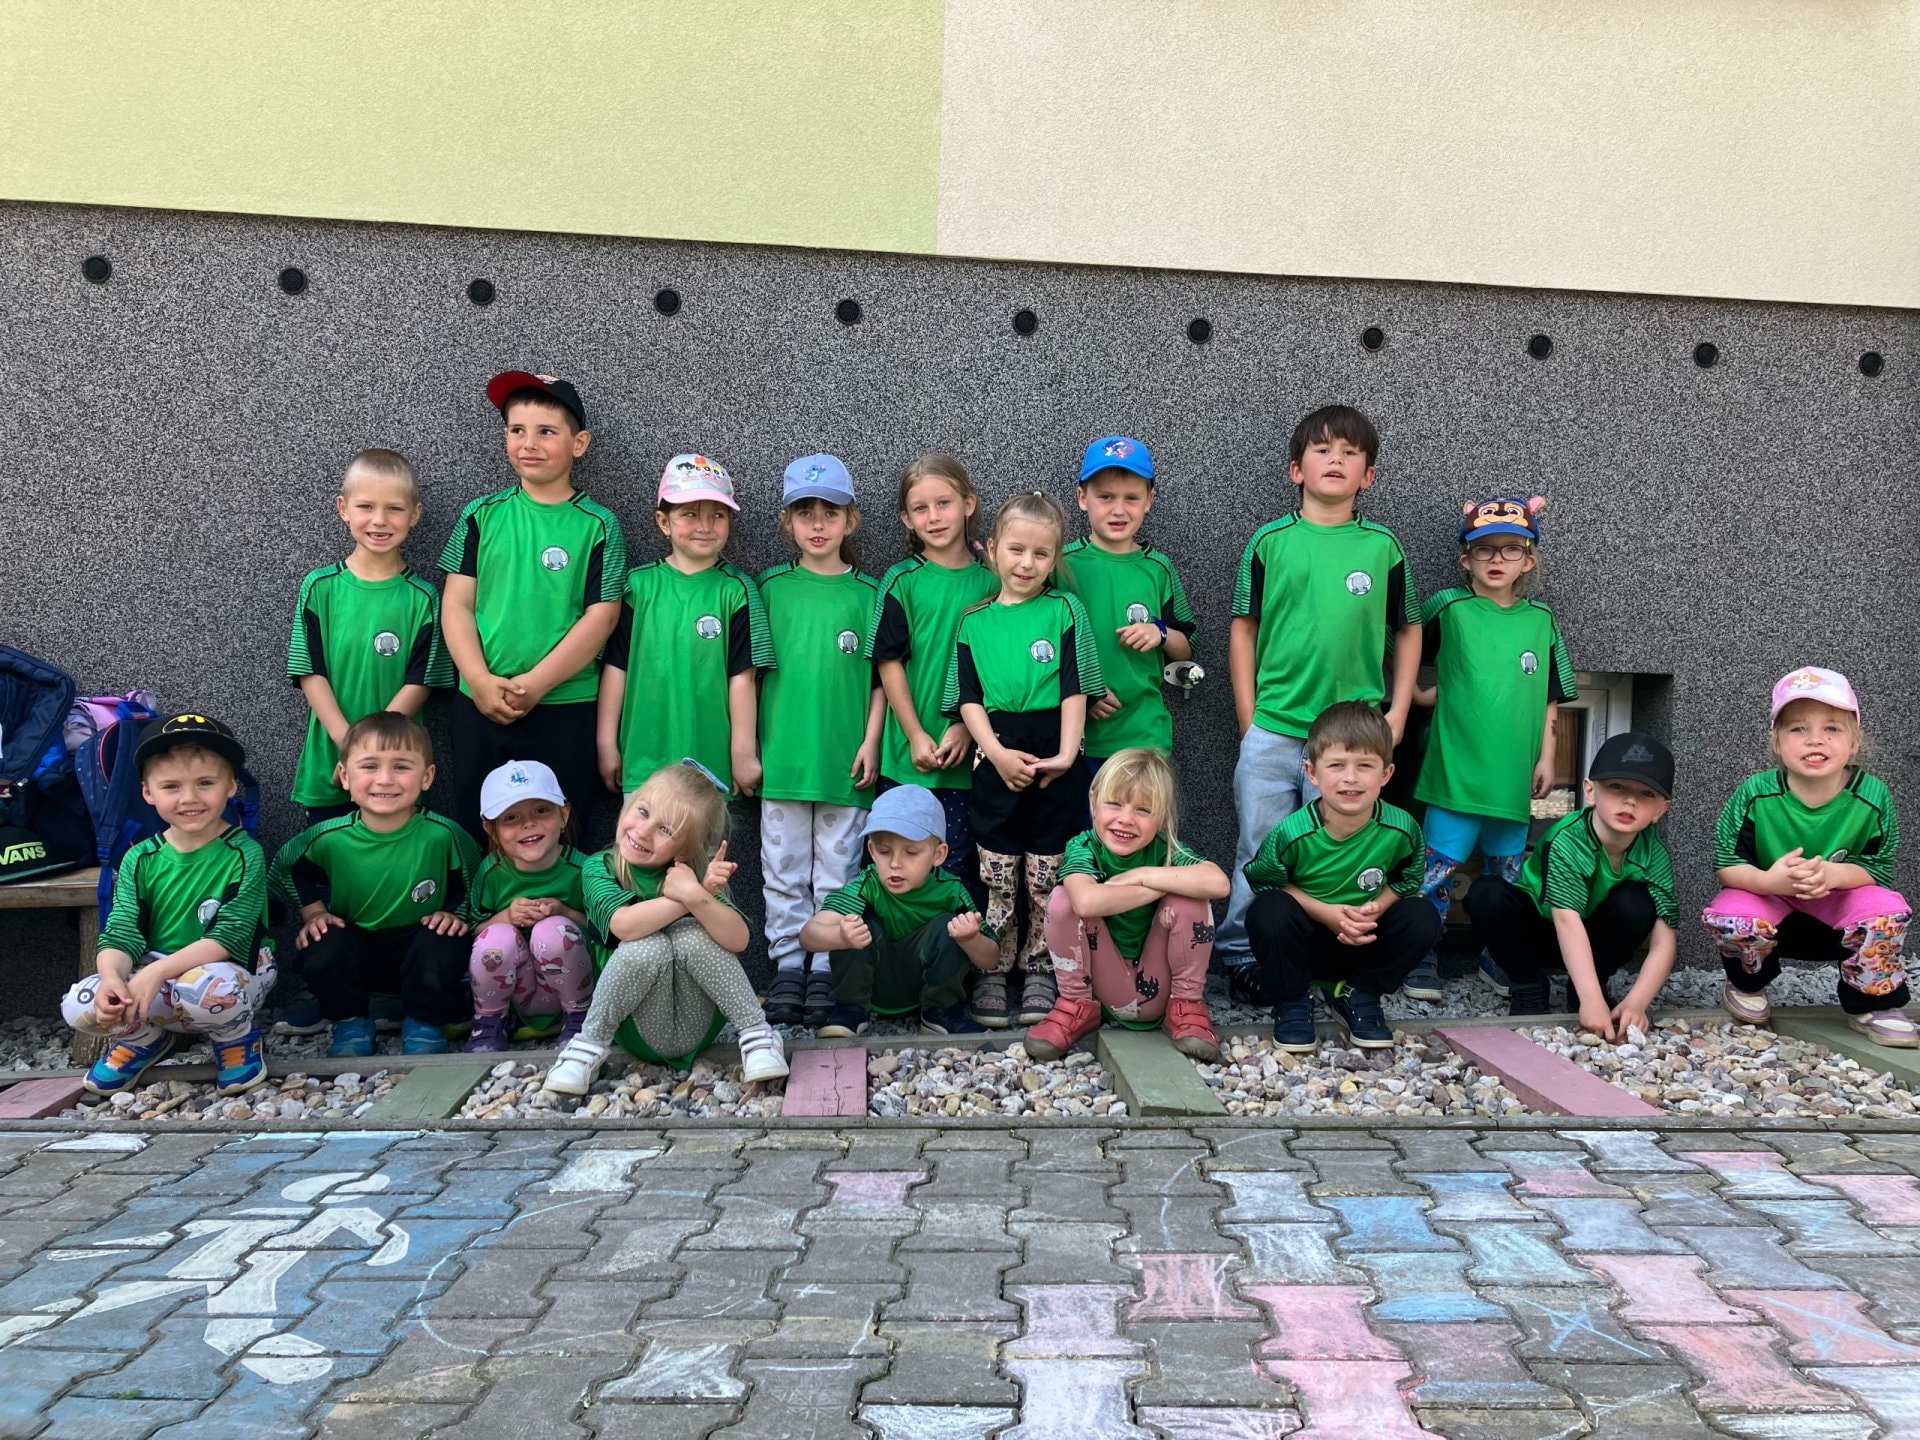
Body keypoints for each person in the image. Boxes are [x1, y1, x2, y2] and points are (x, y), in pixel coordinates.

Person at [1217, 406, 1421, 987]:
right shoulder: (1270, 542)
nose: (1336, 460)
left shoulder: (1383, 547)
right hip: (1274, 728)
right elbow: (1243, 628)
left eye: (1350, 453)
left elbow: (1408, 629)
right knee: (1260, 846)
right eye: (1323, 450)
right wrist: (1248, 716)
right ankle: (1242, 954)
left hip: (1352, 737)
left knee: (1339, 852)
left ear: (1368, 476)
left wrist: (1398, 710)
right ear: (1296, 470)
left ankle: (1324, 960)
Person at [280, 448, 453, 1037]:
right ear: (343, 509)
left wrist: (376, 756)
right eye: (366, 507)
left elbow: (423, 679)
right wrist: (347, 746)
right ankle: (328, 993)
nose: (380, 520)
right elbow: (309, 670)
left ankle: (400, 992)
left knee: (396, 874)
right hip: (328, 761)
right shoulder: (320, 587)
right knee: (330, 882)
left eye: (394, 509)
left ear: (415, 515)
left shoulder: (423, 597)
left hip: (396, 769)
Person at [943, 490, 1106, 1027]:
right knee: (997, 869)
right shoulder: (973, 621)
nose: (1027, 563)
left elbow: (1075, 686)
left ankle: (1040, 966)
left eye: (1041, 553)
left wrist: (1067, 753)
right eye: (1016, 550)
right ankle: (993, 967)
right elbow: (968, 698)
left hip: (1055, 758)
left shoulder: (1064, 610)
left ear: (1055, 557)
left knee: (1045, 870)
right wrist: (993, 753)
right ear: (992, 550)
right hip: (997, 754)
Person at [440, 372, 627, 837]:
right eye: (517, 430)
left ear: (579, 443)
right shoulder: (481, 515)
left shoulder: (599, 524)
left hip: (564, 704)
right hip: (480, 702)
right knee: (480, 830)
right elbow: (456, 605)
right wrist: (479, 680)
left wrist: (536, 683)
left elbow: (602, 617)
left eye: (546, 431)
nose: (529, 443)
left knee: (562, 833)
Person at [1404, 495, 1575, 1000]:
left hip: (1513, 777)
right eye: (1484, 549)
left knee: (1508, 877)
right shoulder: (1448, 607)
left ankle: (1499, 955)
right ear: (1466, 559)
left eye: (1511, 549)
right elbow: (1402, 645)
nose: (1497, 559)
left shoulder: (1541, 619)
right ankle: (1419, 953)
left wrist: (1547, 757)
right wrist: (1419, 695)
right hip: (1456, 771)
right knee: (1434, 871)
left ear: (1529, 560)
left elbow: (1550, 696)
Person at [544, 761, 789, 1094]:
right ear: (630, 802)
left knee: (693, 936)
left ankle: (757, 1034)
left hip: (699, 1024)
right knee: (648, 944)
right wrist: (690, 897)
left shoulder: (695, 873)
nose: (644, 831)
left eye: (666, 830)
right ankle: (588, 1045)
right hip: (634, 1025)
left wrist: (699, 896)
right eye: (643, 812)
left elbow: (739, 940)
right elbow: (625, 926)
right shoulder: (599, 868)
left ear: (686, 849)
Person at [62, 714, 273, 1097]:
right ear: (148, 792)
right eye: (171, 786)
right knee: (81, 1003)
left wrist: (155, 973)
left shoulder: (245, 853)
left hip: (233, 971)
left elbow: (229, 936)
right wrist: (113, 978)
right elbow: (121, 931)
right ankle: (143, 1039)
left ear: (230, 786)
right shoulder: (139, 858)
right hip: (157, 974)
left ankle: (235, 1036)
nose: (189, 798)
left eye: (205, 783)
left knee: (205, 989)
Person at [1704, 668, 1913, 1046]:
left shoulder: (1872, 795)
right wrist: (1768, 881)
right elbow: (1726, 861)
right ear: (1777, 741)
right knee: (1731, 914)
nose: (1815, 739)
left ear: (1855, 741)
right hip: (1772, 902)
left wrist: (1834, 874)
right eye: (1798, 728)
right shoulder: (1755, 793)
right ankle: (1748, 983)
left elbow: (1878, 865)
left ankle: (1872, 1003)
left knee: (1887, 908)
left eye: (1832, 728)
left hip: (1838, 909)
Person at [757, 454, 885, 1027]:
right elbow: (747, 677)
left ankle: (827, 967)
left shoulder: (871, 594)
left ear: (850, 520)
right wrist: (748, 750)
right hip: (783, 761)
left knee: (838, 872)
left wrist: (872, 741)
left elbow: (883, 679)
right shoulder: (767, 589)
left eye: (830, 512)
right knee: (783, 871)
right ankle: (788, 964)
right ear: (786, 520)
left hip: (844, 762)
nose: (817, 524)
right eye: (804, 512)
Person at [269, 712, 480, 1057]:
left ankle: (424, 1022)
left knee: (445, 939)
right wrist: (314, 914)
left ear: (427, 777)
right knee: (321, 942)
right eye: (369, 766)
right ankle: (351, 1023)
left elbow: (476, 881)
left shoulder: (444, 835)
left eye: (401, 766)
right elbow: (286, 867)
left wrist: (455, 914)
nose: (385, 779)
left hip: (419, 948)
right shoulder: (328, 838)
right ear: (344, 776)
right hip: (355, 948)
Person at [1245, 702, 1439, 1051]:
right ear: (1312, 772)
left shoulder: (1402, 828)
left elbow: (1409, 880)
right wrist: (1326, 913)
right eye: (1336, 765)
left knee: (1423, 915)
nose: (1351, 777)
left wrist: (1376, 909)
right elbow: (1264, 881)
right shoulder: (1291, 833)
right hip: (1306, 941)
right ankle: (1292, 1000)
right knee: (1268, 909)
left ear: (1386, 773)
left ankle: (1359, 993)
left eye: (1365, 765)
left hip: (1364, 938)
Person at [1465, 732, 1678, 1040]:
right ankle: (1528, 984)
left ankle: (1587, 987)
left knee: (1638, 902)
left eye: (1646, 793)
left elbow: (1665, 937)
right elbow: (1566, 920)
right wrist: (1593, 1002)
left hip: (1592, 941)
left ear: (1661, 809)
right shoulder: (1567, 839)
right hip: (1541, 932)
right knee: (1486, 894)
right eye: (1616, 787)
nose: (1630, 800)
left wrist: (1637, 1002)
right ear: (1590, 791)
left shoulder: (1654, 853)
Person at [1027, 748, 1228, 1062]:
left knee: (1191, 896)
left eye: (1143, 810)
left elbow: (1218, 883)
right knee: (1064, 899)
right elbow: (1087, 901)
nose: (1126, 819)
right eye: (1115, 804)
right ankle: (1073, 1005)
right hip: (1102, 990)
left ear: (1162, 819)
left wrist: (1143, 875)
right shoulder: (1084, 846)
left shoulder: (1166, 850)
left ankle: (1188, 1006)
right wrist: (1160, 886)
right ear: (1093, 802)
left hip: (1163, 992)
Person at [599, 453, 772, 798]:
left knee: (706, 837)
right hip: (643, 760)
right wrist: (606, 742)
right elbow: (615, 668)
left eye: (717, 515)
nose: (705, 526)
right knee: (640, 834)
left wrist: (743, 753)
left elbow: (743, 677)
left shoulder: (737, 590)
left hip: (710, 766)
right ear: (663, 522)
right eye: (690, 514)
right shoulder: (637, 587)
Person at [865, 454, 998, 898]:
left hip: (972, 759)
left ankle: (953, 945)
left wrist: (964, 726)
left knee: (957, 869)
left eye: (944, 503)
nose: (934, 516)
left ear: (968, 504)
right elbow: (888, 663)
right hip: (907, 756)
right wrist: (915, 734)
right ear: (906, 518)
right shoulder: (901, 580)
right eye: (920, 508)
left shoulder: (995, 583)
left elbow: (999, 668)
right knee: (899, 868)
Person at [798, 786, 998, 1037]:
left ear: (938, 855)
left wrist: (971, 939)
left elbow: (991, 959)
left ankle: (941, 1012)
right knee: (853, 923)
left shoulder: (951, 891)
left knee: (951, 925)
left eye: (911, 852)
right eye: (884, 851)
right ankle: (850, 1010)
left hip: (925, 989)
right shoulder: (867, 885)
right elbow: (807, 935)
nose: (895, 863)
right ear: (871, 851)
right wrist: (840, 936)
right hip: (872, 989)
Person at [1057, 436, 1197, 766]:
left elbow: (1187, 648)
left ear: (1149, 500)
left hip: (1144, 738)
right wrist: (1083, 690)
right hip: (1074, 740)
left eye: (1131, 498)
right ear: (1082, 498)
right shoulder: (1061, 565)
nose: (1118, 509)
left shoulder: (1158, 569)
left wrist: (1160, 633)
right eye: (1105, 496)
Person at [462, 760, 594, 1053]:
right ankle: (488, 1022)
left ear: (563, 815)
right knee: (497, 936)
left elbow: (607, 931)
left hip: (572, 990)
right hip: (513, 994)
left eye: (541, 810)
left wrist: (564, 912)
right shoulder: (491, 872)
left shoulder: (584, 870)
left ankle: (580, 1019)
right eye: (511, 817)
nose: (528, 824)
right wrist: (506, 916)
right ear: (491, 829)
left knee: (552, 930)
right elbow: (473, 930)